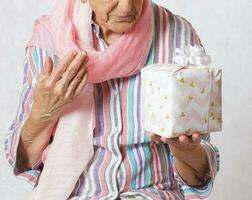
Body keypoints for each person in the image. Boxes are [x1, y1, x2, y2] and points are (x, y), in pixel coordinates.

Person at [4, 0, 220, 199]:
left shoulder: (178, 37)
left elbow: (199, 176)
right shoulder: (50, 39)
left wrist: (185, 149)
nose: (126, 8)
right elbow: (21, 161)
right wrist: (42, 114)